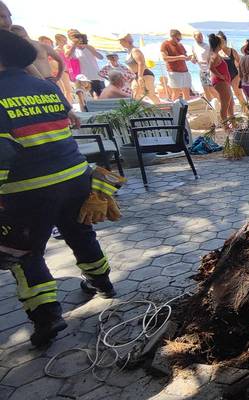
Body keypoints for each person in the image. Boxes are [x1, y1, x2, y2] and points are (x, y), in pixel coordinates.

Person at [0, 29, 122, 347]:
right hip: (75, 175)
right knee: (80, 233)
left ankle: (46, 317)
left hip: (28, 190)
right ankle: (102, 283)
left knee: (26, 253)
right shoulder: (46, 87)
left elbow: (2, 152)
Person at [119, 34, 161, 103]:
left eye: (121, 41)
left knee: (149, 95)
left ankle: (160, 109)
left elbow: (141, 63)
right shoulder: (129, 51)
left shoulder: (134, 50)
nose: (120, 43)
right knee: (136, 95)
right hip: (136, 76)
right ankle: (141, 111)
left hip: (144, 75)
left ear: (126, 41)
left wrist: (140, 76)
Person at [66, 31, 104, 97]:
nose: (79, 42)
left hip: (97, 75)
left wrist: (87, 46)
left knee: (101, 96)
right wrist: (74, 45)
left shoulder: (89, 47)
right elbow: (68, 57)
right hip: (85, 77)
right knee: (91, 97)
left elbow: (101, 57)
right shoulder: (75, 50)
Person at [208, 33, 233, 129]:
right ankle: (226, 126)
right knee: (225, 104)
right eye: (221, 42)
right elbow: (211, 67)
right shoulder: (214, 55)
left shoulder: (216, 54)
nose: (223, 43)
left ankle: (230, 123)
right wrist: (220, 76)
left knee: (229, 102)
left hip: (223, 81)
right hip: (220, 82)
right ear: (218, 44)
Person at [160, 29, 192, 101]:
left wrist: (189, 58)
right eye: (178, 39)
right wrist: (179, 57)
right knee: (176, 92)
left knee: (186, 91)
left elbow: (185, 56)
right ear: (172, 36)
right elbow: (165, 58)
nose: (179, 41)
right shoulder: (165, 44)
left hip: (185, 71)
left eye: (180, 39)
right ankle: (174, 110)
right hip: (174, 71)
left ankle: (186, 109)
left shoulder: (180, 45)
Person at [217, 31, 246, 107]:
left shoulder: (232, 51)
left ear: (225, 41)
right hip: (224, 77)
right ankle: (231, 114)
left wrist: (241, 75)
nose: (220, 43)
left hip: (234, 75)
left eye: (221, 41)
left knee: (238, 94)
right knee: (227, 97)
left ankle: (248, 112)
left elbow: (240, 63)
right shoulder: (217, 53)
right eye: (218, 41)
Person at [191, 32, 217, 102]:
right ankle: (211, 106)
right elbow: (194, 56)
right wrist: (193, 59)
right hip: (201, 70)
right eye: (199, 36)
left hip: (209, 69)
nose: (201, 38)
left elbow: (212, 56)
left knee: (211, 88)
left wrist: (207, 62)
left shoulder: (207, 46)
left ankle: (221, 102)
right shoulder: (194, 46)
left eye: (201, 36)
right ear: (195, 37)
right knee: (205, 88)